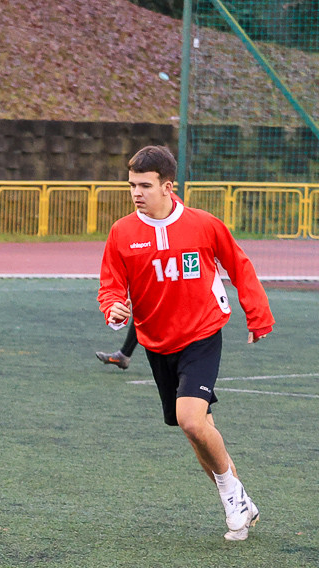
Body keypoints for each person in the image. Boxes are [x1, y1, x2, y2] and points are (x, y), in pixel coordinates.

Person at [98, 145, 274, 541]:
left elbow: (239, 265)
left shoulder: (203, 225)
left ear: (168, 186)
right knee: (197, 430)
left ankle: (230, 497)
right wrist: (113, 310)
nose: (136, 193)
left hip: (202, 333)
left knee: (190, 419)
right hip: (157, 342)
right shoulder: (122, 232)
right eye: (132, 185)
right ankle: (239, 498)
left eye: (145, 185)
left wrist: (258, 315)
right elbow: (110, 287)